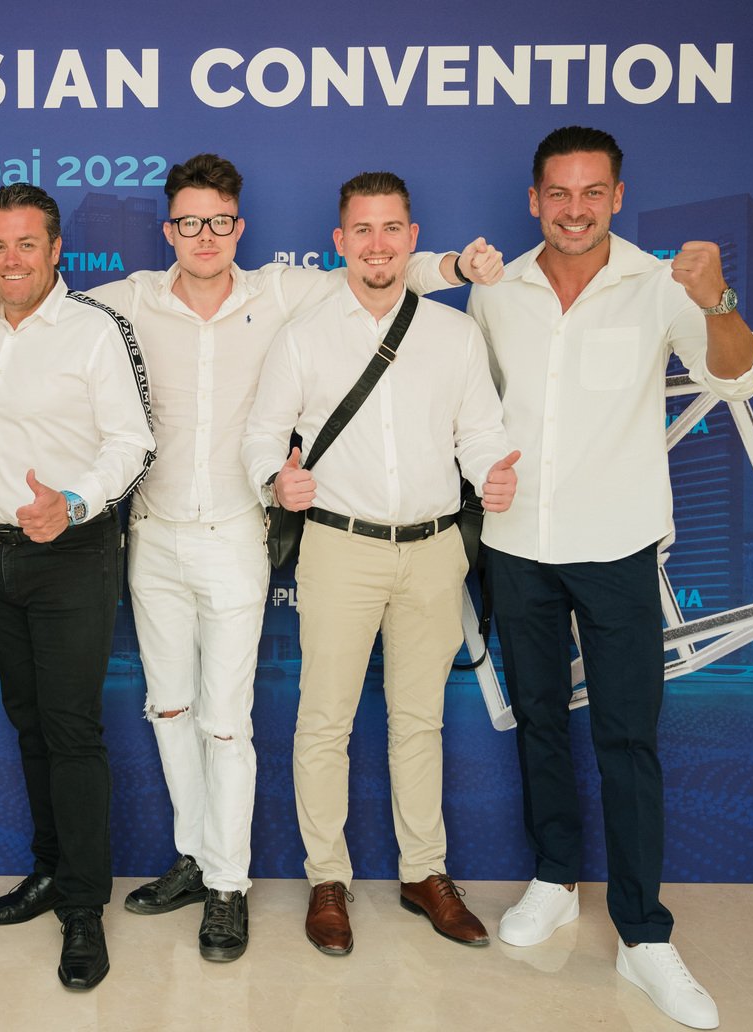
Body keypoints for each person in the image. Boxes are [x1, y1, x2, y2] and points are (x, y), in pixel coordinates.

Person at [0, 153, 502, 962]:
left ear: (239, 227)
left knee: (226, 722)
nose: (204, 235)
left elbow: (375, 265)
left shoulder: (283, 292)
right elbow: (25, 293)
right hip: (152, 535)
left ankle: (229, 887)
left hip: (237, 535)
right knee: (169, 709)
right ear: (168, 230)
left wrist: (453, 267)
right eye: (188, 222)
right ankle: (194, 858)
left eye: (219, 221)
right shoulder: (129, 298)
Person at [468, 126, 753, 1030]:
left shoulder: (660, 284)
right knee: (540, 722)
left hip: (620, 546)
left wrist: (718, 301)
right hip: (517, 543)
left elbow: (737, 379)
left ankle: (643, 934)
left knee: (628, 739)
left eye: (592, 192)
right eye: (558, 193)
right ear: (534, 200)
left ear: (618, 198)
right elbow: (476, 410)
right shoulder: (497, 290)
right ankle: (555, 880)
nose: (575, 209)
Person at [242, 170, 518, 959]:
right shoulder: (304, 336)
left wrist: (493, 471)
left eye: (391, 228)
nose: (377, 244)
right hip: (339, 547)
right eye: (361, 229)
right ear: (339, 242)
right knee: (323, 722)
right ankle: (327, 879)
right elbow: (261, 435)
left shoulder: (454, 334)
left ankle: (424, 873)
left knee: (419, 721)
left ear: (412, 238)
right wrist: (275, 479)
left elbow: (481, 432)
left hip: (434, 550)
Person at [0, 183, 154, 991]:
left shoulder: (95, 331)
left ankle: (84, 907)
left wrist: (76, 502)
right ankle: (52, 872)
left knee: (70, 730)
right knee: (28, 724)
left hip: (73, 552)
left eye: (28, 244)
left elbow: (134, 442)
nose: (12, 259)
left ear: (57, 250)